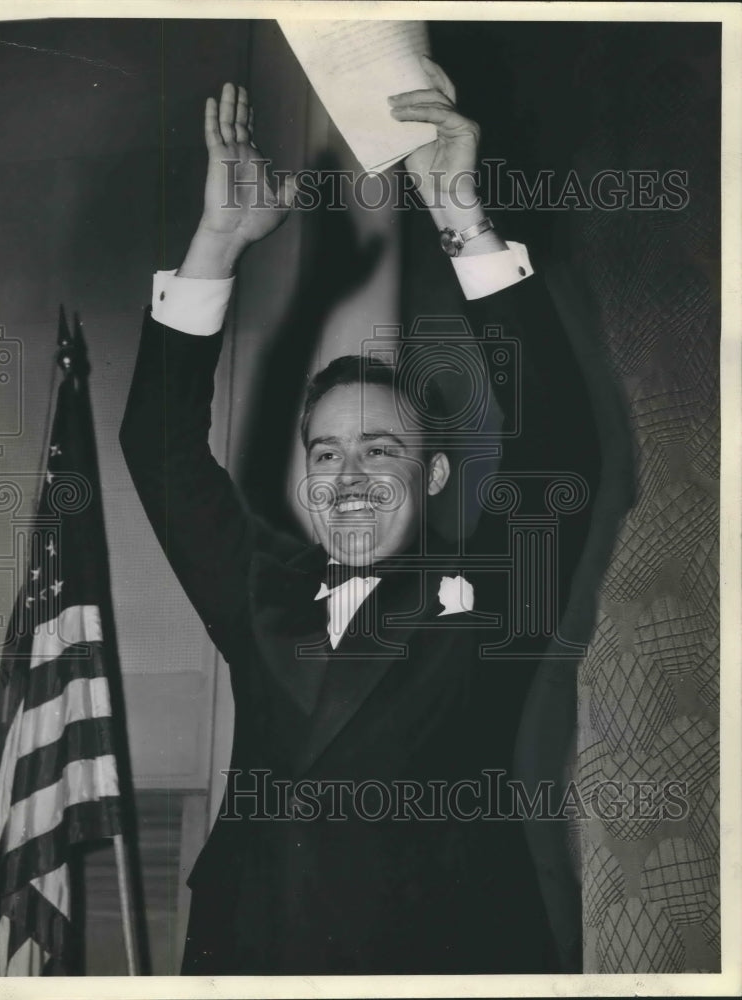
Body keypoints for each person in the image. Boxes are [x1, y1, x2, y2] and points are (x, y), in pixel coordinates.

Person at [120, 60, 600, 974]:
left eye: (381, 450)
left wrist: (461, 214)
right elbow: (162, 451)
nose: (348, 476)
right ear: (304, 481)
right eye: (326, 453)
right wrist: (217, 243)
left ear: (434, 475)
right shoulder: (260, 592)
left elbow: (566, 447)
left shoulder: (494, 598)